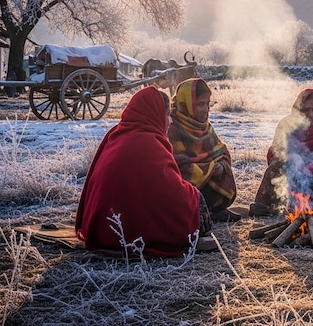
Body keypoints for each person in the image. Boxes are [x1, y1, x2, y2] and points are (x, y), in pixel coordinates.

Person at [75, 86, 215, 257]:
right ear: (156, 113)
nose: (170, 121)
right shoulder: (150, 143)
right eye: (168, 115)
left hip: (99, 230)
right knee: (194, 199)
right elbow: (171, 192)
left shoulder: (116, 134)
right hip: (123, 234)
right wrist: (193, 196)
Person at [249, 88, 313, 216]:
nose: (311, 114)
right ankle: (267, 208)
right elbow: (275, 152)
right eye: (306, 110)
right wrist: (292, 163)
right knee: (276, 167)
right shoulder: (287, 124)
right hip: (291, 177)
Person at [168, 78, 240, 223]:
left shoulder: (205, 127)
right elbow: (172, 167)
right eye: (200, 104)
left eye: (208, 104)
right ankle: (199, 211)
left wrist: (221, 166)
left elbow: (222, 152)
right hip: (180, 193)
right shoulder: (171, 127)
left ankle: (210, 210)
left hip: (207, 187)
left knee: (217, 187)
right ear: (186, 103)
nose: (205, 110)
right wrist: (207, 170)